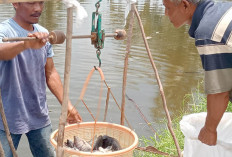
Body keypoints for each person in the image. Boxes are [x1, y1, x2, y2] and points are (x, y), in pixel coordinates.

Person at [0, 1, 82, 157]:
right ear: (15, 3)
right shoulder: (4, 30)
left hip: (38, 113)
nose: (38, 8)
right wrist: (25, 44)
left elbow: (50, 73)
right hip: (7, 116)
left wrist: (68, 106)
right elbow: (1, 52)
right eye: (31, 3)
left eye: (41, 3)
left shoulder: (44, 34)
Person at [163, 0, 232, 146]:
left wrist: (209, 129)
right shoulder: (223, 9)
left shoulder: (209, 32)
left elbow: (219, 92)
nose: (165, 13)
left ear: (185, 5)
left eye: (168, 8)